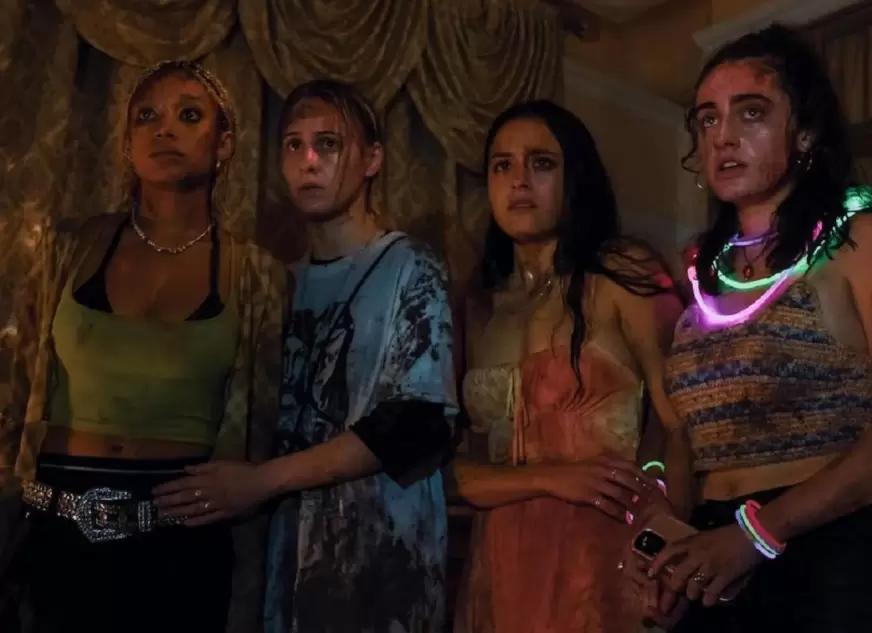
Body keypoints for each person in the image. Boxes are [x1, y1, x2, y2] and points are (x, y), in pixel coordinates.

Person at [623, 24, 872, 633]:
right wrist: (666, 534)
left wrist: (759, 533)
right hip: (713, 555)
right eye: (708, 119)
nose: (723, 136)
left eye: (751, 112)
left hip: (826, 555)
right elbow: (682, 433)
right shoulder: (699, 270)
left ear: (805, 131)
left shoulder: (860, 241)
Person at [152, 79, 457, 633]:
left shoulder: (408, 266)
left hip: (379, 560)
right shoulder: (277, 283)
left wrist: (261, 481)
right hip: (285, 560)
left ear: (372, 159)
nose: (309, 161)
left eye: (329, 144)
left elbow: (415, 421)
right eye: (294, 144)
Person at [0, 60, 287, 633]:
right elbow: (14, 383)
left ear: (224, 143)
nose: (165, 129)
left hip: (180, 547)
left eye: (189, 115)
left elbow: (263, 422)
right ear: (127, 145)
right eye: (147, 117)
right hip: (56, 537)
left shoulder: (257, 274)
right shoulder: (67, 249)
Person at [448, 100, 683, 633]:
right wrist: (551, 477)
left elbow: (681, 424)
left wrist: (667, 539)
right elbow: (443, 474)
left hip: (605, 554)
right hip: (499, 565)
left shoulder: (622, 272)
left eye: (541, 163)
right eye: (502, 165)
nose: (519, 181)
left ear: (575, 177)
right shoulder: (476, 303)